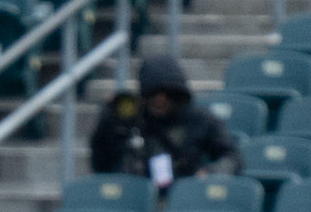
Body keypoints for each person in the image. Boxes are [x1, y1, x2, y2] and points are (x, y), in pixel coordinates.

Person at [88, 54, 240, 183]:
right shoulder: (134, 121)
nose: (160, 99)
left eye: (167, 93)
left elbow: (231, 157)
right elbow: (101, 164)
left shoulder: (199, 120)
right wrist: (108, 119)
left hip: (184, 192)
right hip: (139, 192)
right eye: (153, 93)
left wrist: (209, 174)